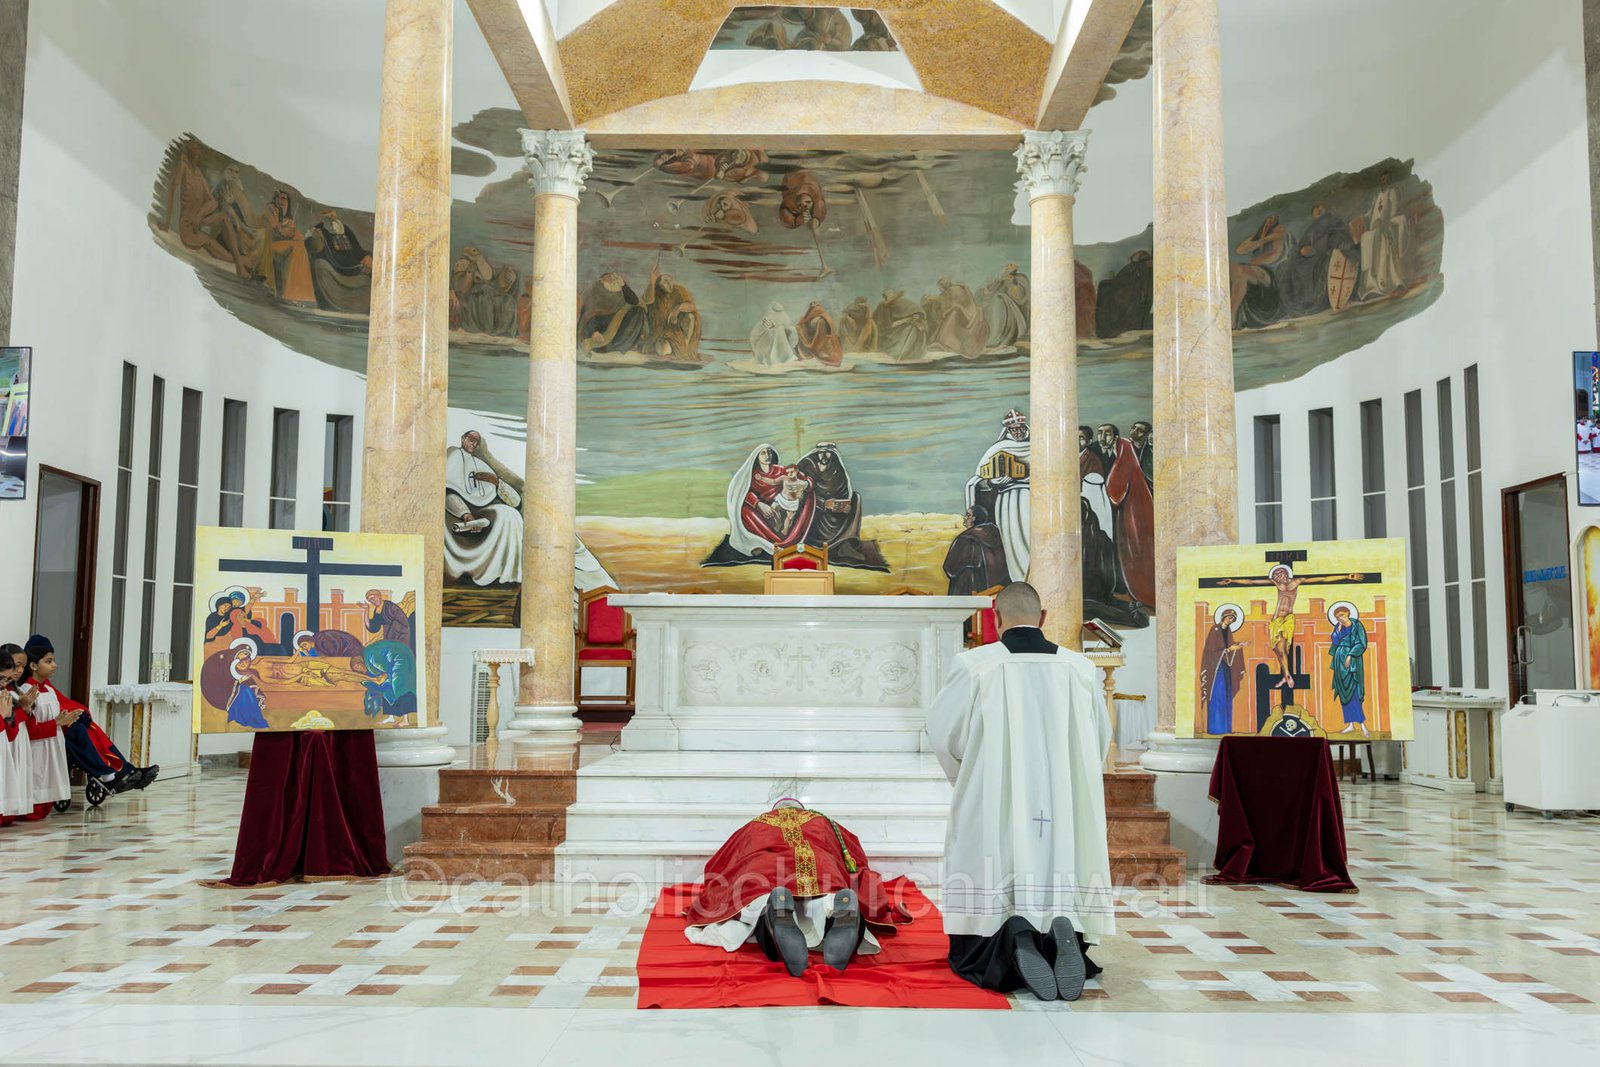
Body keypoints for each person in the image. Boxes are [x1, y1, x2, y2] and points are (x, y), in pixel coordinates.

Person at [928, 582, 1113, 1001]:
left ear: (995, 617)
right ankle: (1061, 928)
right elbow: (1099, 740)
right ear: (1043, 617)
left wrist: (967, 779)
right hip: (1062, 797)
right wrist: (1073, 780)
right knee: (1058, 860)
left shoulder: (975, 665)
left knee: (993, 863)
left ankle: (1014, 933)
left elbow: (944, 735)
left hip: (994, 792)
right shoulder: (1080, 669)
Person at [683, 800, 911, 975]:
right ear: (802, 808)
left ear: (774, 809)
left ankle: (773, 912)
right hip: (822, 871)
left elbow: (722, 863)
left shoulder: (755, 825)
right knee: (826, 897)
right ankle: (837, 909)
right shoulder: (824, 821)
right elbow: (856, 859)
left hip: (765, 873)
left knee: (757, 903)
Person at [23, 635, 156, 797]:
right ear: (33, 665)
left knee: (93, 730)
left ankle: (125, 769)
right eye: (49, 661)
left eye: (53, 660)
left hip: (58, 725)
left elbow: (62, 702)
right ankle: (107, 772)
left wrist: (79, 712)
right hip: (49, 732)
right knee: (79, 730)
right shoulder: (28, 688)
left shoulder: (47, 687)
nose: (54, 665)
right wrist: (67, 717)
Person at [445, 429, 524, 586]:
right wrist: (465, 514)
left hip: (482, 512)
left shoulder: (481, 465)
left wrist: (497, 482)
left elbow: (514, 502)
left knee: (510, 514)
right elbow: (448, 493)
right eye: (471, 439)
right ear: (462, 438)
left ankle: (503, 572)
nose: (474, 444)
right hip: (457, 513)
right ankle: (475, 571)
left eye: (477, 442)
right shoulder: (453, 457)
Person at [794, 443, 887, 569]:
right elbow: (801, 494)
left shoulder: (836, 469)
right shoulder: (807, 466)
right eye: (821, 452)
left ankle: (845, 543)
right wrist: (824, 504)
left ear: (832, 454)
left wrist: (842, 504)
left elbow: (844, 492)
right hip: (814, 514)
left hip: (834, 512)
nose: (823, 455)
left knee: (856, 498)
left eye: (827, 452)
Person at [163, 138, 248, 277]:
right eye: (194, 146)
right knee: (225, 254)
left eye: (198, 147)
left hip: (198, 221)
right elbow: (172, 190)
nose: (197, 149)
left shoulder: (198, 174)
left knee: (224, 217)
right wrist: (166, 223)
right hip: (187, 226)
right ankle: (241, 264)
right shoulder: (183, 166)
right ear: (188, 149)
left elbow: (213, 202)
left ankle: (240, 266)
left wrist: (199, 217)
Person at [967, 410, 1031, 582]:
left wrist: (1026, 478)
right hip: (1007, 502)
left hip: (1030, 498)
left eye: (1021, 428)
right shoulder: (998, 448)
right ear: (1008, 430)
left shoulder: (1036, 446)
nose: (1018, 432)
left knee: (1030, 535)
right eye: (1014, 429)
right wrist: (994, 481)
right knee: (1011, 539)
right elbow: (979, 479)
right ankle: (1018, 579)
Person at [1099, 423, 1156, 608]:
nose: (1103, 438)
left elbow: (1116, 486)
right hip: (1130, 506)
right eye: (1100, 433)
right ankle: (1135, 591)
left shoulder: (1124, 447)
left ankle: (1143, 592)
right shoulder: (1120, 449)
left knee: (1136, 548)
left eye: (1107, 434)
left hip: (1133, 508)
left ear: (1115, 437)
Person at [305, 208, 373, 312]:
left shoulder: (344, 229)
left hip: (355, 271)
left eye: (331, 212)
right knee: (320, 265)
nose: (329, 215)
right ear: (320, 216)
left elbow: (359, 251)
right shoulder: (316, 232)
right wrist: (315, 241)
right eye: (325, 213)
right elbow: (312, 250)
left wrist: (368, 256)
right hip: (333, 273)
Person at [260, 190, 316, 304]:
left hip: (286, 246)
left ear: (288, 203)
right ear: (275, 200)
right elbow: (275, 230)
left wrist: (292, 233)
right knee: (297, 247)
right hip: (270, 244)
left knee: (299, 247)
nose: (281, 201)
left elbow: (298, 237)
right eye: (279, 198)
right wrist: (286, 232)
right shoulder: (271, 210)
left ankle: (294, 293)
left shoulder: (290, 221)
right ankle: (291, 294)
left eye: (284, 199)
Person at [1358, 171, 1408, 299]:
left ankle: (1388, 283)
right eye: (1382, 179)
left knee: (1380, 239)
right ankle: (1371, 287)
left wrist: (1383, 223)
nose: (1383, 181)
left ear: (1389, 180)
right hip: (1374, 231)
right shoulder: (1377, 195)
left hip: (1386, 230)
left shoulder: (1392, 192)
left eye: (1386, 179)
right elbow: (1371, 213)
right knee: (1365, 238)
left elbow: (1394, 214)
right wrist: (1361, 220)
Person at [942, 505, 1010, 596]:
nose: (965, 518)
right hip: (993, 592)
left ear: (974, 519)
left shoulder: (965, 539)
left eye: (968, 515)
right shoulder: (995, 536)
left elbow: (950, 567)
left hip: (968, 590)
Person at [0, 644, 34, 825]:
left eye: (6, 679)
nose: (3, 684)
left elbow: (11, 732)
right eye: (1, 678)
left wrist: (10, 715)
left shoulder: (8, 693)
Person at [578, 272, 650, 354]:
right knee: (594, 323)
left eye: (614, 276)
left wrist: (624, 286)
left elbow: (634, 301)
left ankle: (624, 346)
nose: (613, 278)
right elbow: (589, 313)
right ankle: (602, 346)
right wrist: (593, 332)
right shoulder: (597, 288)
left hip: (619, 323)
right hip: (601, 324)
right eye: (609, 277)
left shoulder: (621, 289)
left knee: (638, 311)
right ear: (602, 280)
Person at [1202, 606, 1246, 735]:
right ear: (1223, 617)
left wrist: (1238, 645)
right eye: (1229, 617)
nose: (1230, 620)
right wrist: (1228, 650)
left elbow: (1229, 647)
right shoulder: (1215, 630)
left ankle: (1226, 728)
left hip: (1226, 666)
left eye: (1233, 619)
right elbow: (1211, 651)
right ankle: (1216, 729)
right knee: (1218, 695)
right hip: (1216, 669)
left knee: (1227, 696)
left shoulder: (1228, 631)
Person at [643, 267, 702, 361]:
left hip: (675, 329)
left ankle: (686, 349)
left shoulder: (679, 290)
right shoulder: (654, 291)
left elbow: (691, 306)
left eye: (670, 281)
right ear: (659, 283)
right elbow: (647, 300)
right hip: (658, 331)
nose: (669, 284)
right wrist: (652, 279)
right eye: (665, 281)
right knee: (662, 351)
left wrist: (677, 309)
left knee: (690, 317)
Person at [1328, 602, 1369, 734]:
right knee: (1343, 693)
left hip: (1353, 662)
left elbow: (1362, 643)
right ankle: (1350, 724)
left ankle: (1362, 725)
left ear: (1347, 613)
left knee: (1354, 691)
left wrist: (1350, 655)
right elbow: (1335, 642)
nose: (1339, 618)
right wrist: (1338, 631)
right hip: (1339, 661)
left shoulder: (1357, 626)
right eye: (1337, 617)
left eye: (1341, 615)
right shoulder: (1338, 627)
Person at [1094, 250, 1153, 338]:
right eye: (1148, 261)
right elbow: (1121, 285)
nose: (1150, 263)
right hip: (1128, 305)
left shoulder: (1136, 270)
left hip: (1133, 305)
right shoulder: (1132, 270)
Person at [927, 278, 988, 358]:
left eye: (940, 287)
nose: (941, 289)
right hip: (970, 313)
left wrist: (932, 298)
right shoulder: (960, 288)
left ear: (943, 286)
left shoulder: (951, 290)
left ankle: (945, 343)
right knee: (952, 313)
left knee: (951, 316)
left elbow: (944, 301)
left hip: (966, 315)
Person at [979, 263, 1030, 348]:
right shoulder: (1001, 280)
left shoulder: (1020, 279)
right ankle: (993, 337)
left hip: (1016, 317)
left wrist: (1011, 282)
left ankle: (998, 338)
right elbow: (987, 294)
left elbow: (1020, 298)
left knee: (999, 298)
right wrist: (999, 279)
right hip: (999, 313)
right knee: (994, 301)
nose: (1007, 269)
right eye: (1006, 269)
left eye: (1009, 268)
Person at [871, 289, 927, 362]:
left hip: (901, 328)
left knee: (914, 328)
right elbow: (889, 325)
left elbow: (916, 308)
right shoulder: (883, 307)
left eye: (891, 295)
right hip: (887, 333)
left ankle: (909, 355)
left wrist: (918, 314)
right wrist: (908, 319)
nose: (889, 298)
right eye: (887, 296)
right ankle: (897, 354)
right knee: (905, 331)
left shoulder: (901, 302)